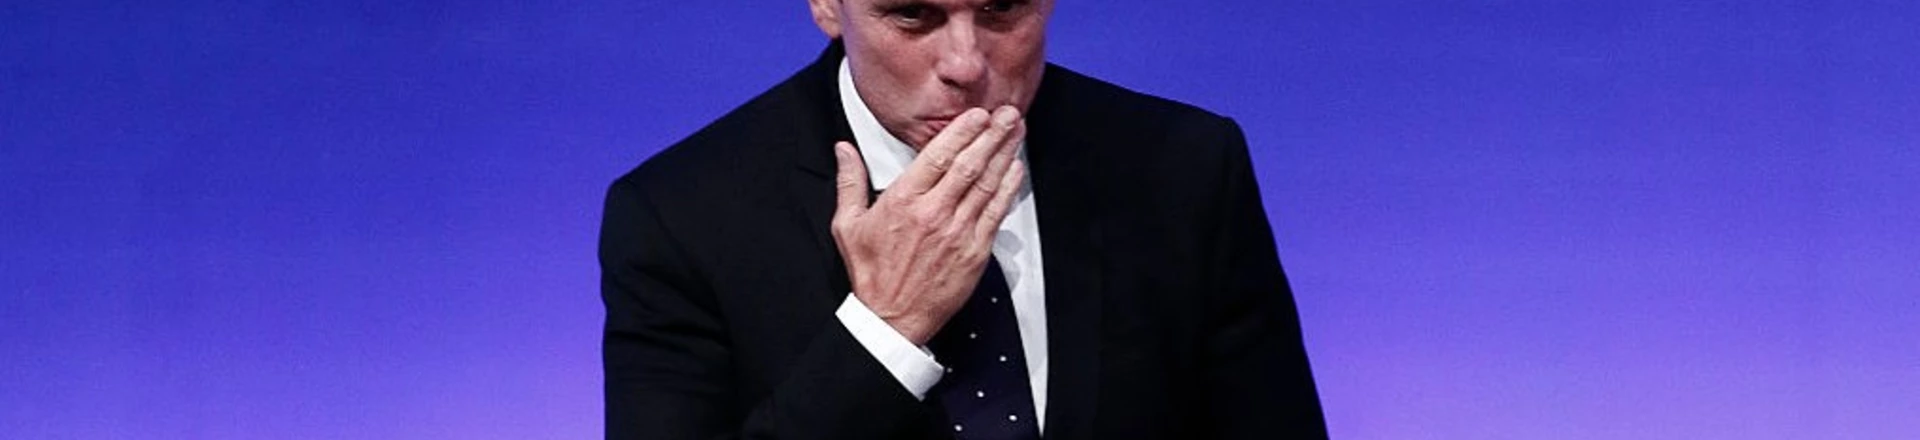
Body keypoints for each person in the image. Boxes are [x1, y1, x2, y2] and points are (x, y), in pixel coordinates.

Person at [598, 0, 1327, 438]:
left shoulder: (1186, 169)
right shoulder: (678, 217)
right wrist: (883, 336)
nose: (965, 62)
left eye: (1003, 9)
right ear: (826, 3)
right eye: (912, 13)